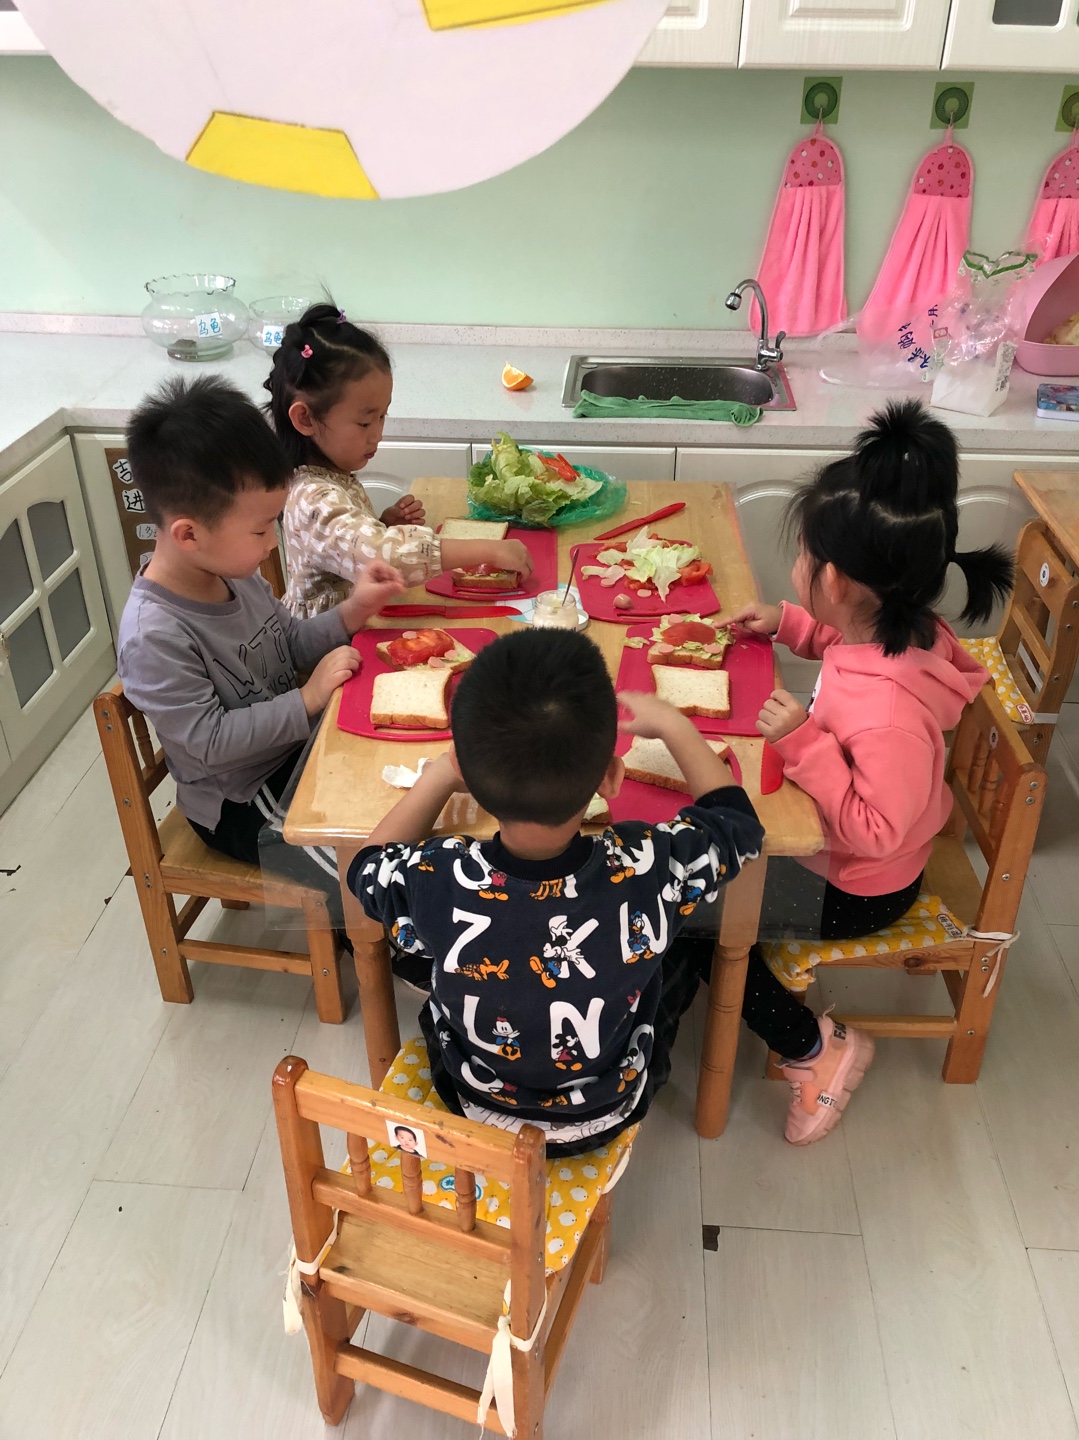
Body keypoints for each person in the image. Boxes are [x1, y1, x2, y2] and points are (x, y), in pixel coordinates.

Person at [700, 398, 1012, 1145]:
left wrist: (805, 743)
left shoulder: (889, 715)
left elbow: (876, 831)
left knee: (702, 923)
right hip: (840, 855)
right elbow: (846, 647)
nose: (797, 568)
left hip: (856, 885)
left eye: (804, 560)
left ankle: (816, 1048)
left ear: (836, 579)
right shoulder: (900, 629)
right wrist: (789, 624)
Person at [348, 628, 765, 1157]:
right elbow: (736, 825)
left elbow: (366, 867)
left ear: (473, 782)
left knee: (417, 943)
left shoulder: (438, 872)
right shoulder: (649, 863)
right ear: (611, 778)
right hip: (606, 1110)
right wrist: (673, 724)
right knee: (681, 949)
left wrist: (438, 777)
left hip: (473, 1103)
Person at [116, 375, 404, 922]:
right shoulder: (153, 634)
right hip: (242, 797)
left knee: (397, 806)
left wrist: (353, 610)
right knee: (366, 876)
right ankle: (384, 944)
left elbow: (289, 642)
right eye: (260, 530)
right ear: (188, 534)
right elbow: (209, 742)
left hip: (293, 750)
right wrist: (308, 699)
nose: (272, 542)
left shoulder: (234, 572)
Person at [264, 302, 533, 618]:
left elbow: (345, 550)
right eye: (365, 422)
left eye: (383, 416)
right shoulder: (312, 499)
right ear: (305, 419)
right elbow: (385, 558)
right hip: (325, 645)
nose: (377, 434)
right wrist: (488, 550)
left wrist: (382, 523)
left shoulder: (330, 473)